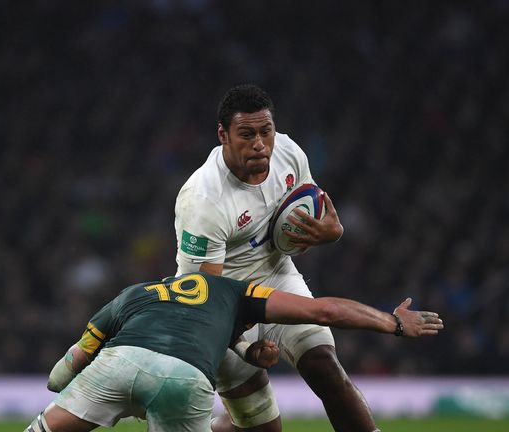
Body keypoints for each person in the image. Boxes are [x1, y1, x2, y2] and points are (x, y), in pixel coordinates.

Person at [173, 84, 373, 431]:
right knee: (260, 425)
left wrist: (331, 232)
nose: (260, 144)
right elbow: (205, 296)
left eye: (266, 131)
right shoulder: (203, 200)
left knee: (324, 366)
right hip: (222, 303)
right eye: (246, 134)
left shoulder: (288, 153)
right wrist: (247, 348)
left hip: (276, 275)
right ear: (223, 135)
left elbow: (317, 212)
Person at [24, 272, 443, 431]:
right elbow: (324, 310)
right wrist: (391, 322)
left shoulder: (134, 294)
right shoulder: (235, 292)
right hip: (185, 379)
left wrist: (59, 385)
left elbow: (70, 364)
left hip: (118, 362)